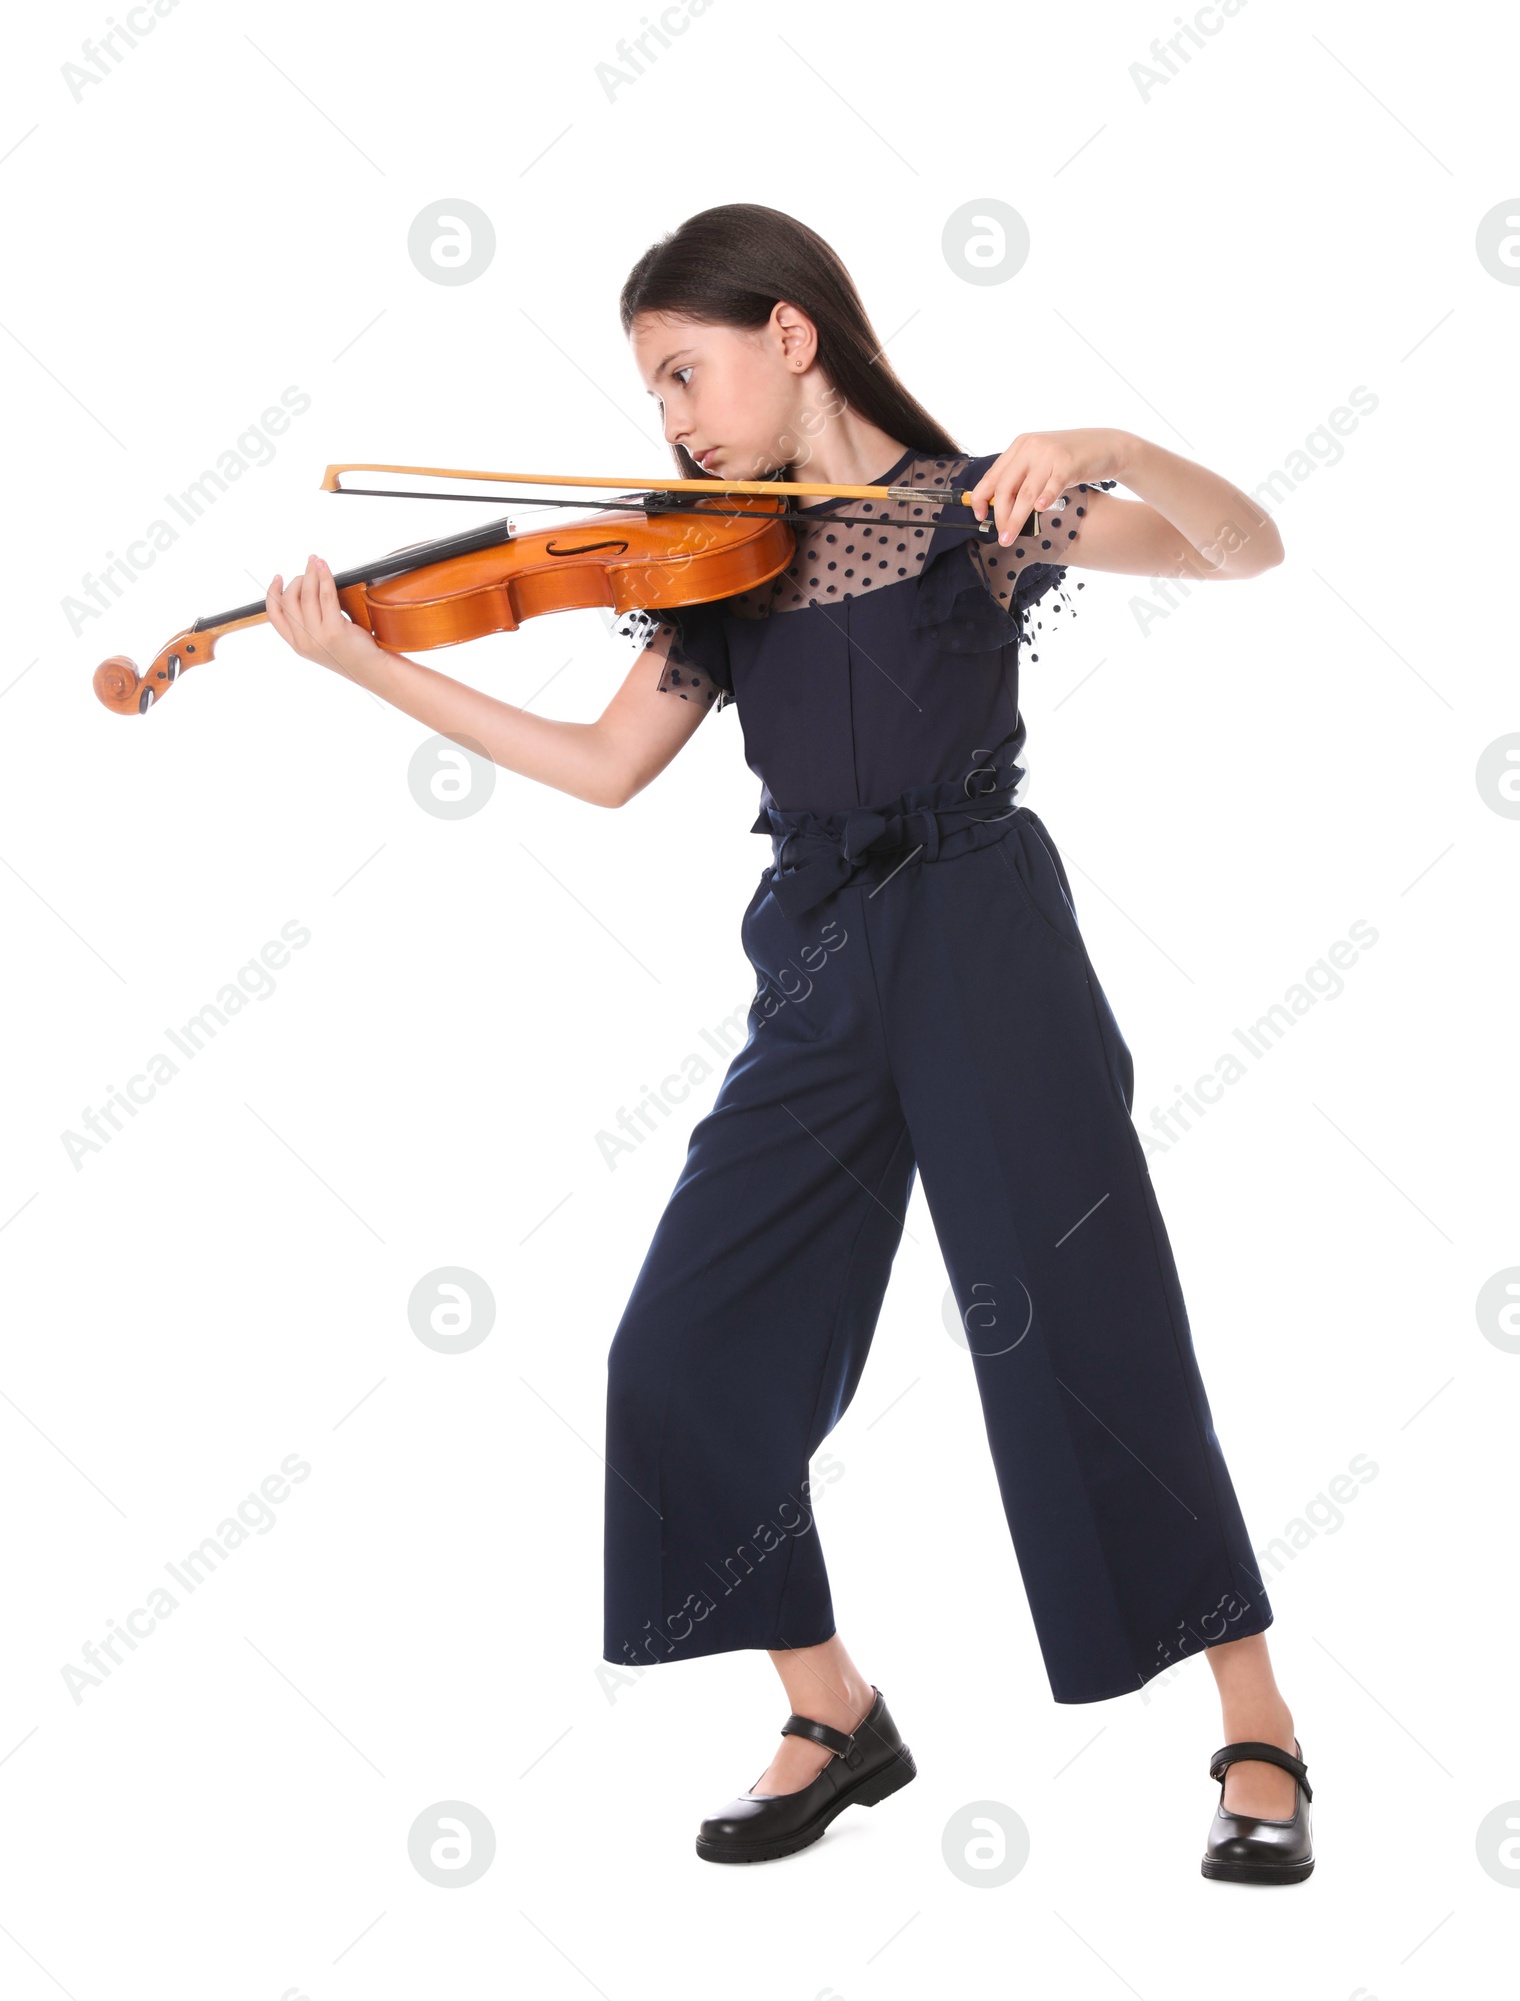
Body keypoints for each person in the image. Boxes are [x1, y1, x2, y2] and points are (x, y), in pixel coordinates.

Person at [264, 202, 1314, 1885]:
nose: (671, 422)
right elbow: (608, 770)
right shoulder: (723, 558)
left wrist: (1105, 440)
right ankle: (835, 1709)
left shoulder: (985, 510)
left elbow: (1242, 547)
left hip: (985, 938)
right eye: (655, 391)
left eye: (686, 373)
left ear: (793, 338)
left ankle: (1252, 1719)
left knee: (1082, 1332)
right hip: (818, 960)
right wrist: (365, 666)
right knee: (681, 1353)